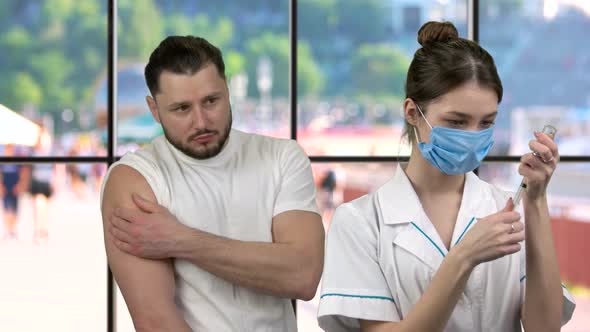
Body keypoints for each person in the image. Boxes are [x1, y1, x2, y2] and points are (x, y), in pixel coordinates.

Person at [317, 21, 575, 332]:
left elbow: (544, 328)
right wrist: (463, 257)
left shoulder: (510, 209)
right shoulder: (360, 222)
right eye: (456, 121)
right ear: (412, 112)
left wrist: (536, 202)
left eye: (486, 123)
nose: (472, 136)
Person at [100, 36, 324, 331]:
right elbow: (156, 322)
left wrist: (180, 239)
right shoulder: (134, 179)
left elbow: (303, 276)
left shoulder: (282, 157)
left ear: (228, 90)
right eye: (181, 108)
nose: (201, 121)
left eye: (211, 101)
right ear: (154, 109)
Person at [1, 144, 28, 240]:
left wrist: (19, 185)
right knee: (6, 207)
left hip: (14, 182)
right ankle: (8, 229)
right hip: (5, 182)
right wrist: (1, 186)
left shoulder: (18, 158)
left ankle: (12, 228)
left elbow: (23, 171)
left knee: (15, 208)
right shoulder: (2, 158)